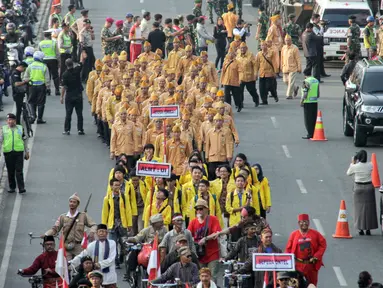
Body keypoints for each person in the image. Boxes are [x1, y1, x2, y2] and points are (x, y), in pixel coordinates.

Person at [44, 193, 97, 260]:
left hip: (79, 247)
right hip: (66, 246)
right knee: (66, 267)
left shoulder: (83, 216)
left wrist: (92, 232)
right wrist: (46, 234)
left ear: (77, 204)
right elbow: (55, 229)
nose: (72, 204)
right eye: (70, 202)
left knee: (78, 267)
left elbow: (94, 225)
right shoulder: (63, 217)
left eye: (74, 202)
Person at [285, 214, 327, 286]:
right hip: (298, 265)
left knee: (312, 285)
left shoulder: (315, 234)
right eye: (302, 222)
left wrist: (316, 256)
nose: (304, 224)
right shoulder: (293, 235)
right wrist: (288, 262)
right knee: (297, 284)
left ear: (309, 222)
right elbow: (288, 249)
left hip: (310, 265)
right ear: (298, 223)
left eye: (306, 222)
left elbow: (323, 245)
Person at [102, 177, 133, 268]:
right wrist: (104, 226)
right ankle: (116, 262)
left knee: (124, 243)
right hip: (112, 225)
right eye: (115, 185)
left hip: (122, 224)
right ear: (111, 186)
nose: (117, 187)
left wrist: (129, 224)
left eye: (118, 185)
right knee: (113, 244)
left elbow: (128, 211)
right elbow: (105, 213)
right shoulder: (107, 198)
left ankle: (122, 257)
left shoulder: (124, 196)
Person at [188, 199, 221, 281]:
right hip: (199, 254)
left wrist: (205, 238)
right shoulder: (193, 222)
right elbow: (188, 234)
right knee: (201, 278)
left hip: (212, 253)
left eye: (201, 208)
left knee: (212, 277)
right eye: (197, 209)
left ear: (206, 209)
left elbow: (217, 233)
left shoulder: (213, 219)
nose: (199, 211)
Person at [346, 150, 379, 235]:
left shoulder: (355, 166)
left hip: (358, 188)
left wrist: (353, 163)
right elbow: (370, 169)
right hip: (369, 187)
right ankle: (368, 229)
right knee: (370, 209)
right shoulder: (370, 165)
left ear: (358, 157)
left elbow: (348, 173)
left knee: (359, 209)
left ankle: (360, 229)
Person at [0, 112, 29, 193]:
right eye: (9, 120)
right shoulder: (4, 129)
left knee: (19, 171)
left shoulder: (20, 128)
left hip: (19, 152)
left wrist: (27, 151)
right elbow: (0, 140)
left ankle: (21, 188)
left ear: (15, 121)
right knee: (10, 171)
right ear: (7, 121)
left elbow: (25, 140)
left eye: (12, 120)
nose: (10, 121)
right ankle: (12, 187)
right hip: (8, 153)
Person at [61, 55, 86, 135]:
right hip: (78, 95)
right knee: (79, 114)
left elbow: (64, 87)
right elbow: (82, 62)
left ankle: (67, 130)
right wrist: (82, 54)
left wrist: (62, 97)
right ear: (72, 64)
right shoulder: (77, 70)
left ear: (66, 65)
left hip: (69, 96)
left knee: (68, 113)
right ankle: (80, 129)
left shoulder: (65, 75)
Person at [23, 51, 50, 124]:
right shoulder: (44, 66)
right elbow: (47, 78)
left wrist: (27, 82)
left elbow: (25, 77)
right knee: (41, 103)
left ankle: (33, 116)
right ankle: (39, 119)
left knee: (31, 101)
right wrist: (48, 88)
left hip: (31, 86)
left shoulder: (30, 66)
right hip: (41, 86)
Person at [255, 41, 279, 105]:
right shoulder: (259, 54)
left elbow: (274, 62)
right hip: (262, 73)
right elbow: (256, 64)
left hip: (270, 73)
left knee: (269, 87)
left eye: (264, 45)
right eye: (262, 45)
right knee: (262, 88)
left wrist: (276, 71)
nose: (263, 47)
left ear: (267, 45)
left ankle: (274, 95)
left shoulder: (271, 53)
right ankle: (264, 101)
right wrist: (255, 73)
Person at [237, 42, 260, 107]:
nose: (242, 49)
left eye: (243, 48)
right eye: (241, 48)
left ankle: (256, 100)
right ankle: (240, 103)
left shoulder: (250, 55)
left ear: (246, 48)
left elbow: (255, 65)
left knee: (251, 90)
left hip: (249, 76)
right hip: (241, 77)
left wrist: (255, 73)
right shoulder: (238, 55)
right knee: (240, 91)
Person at [38, 30, 60, 96]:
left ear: (44, 36)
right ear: (50, 36)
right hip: (53, 60)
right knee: (55, 76)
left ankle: (47, 89)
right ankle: (57, 90)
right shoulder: (53, 42)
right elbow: (57, 53)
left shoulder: (40, 43)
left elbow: (39, 53)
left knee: (47, 75)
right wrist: (59, 62)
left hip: (44, 60)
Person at [281, 34, 301, 99]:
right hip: (285, 67)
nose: (287, 42)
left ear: (291, 40)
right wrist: (281, 66)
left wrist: (299, 67)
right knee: (285, 81)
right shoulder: (283, 48)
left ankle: (289, 95)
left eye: (288, 40)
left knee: (291, 81)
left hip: (293, 67)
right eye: (286, 40)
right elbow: (282, 58)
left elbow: (298, 58)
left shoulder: (295, 48)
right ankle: (295, 88)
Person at [300, 71, 319, 139]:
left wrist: (302, 101)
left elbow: (305, 92)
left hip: (307, 102)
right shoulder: (316, 80)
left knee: (308, 119)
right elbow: (318, 93)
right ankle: (314, 132)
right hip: (314, 101)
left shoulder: (306, 81)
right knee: (314, 118)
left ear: (305, 75)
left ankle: (310, 134)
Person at [311, 14, 330, 79]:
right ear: (315, 19)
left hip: (320, 44)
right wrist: (322, 26)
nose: (319, 20)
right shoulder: (313, 26)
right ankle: (318, 75)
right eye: (318, 19)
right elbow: (319, 34)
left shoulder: (317, 25)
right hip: (316, 45)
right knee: (318, 61)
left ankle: (322, 73)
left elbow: (323, 32)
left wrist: (323, 26)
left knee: (321, 60)